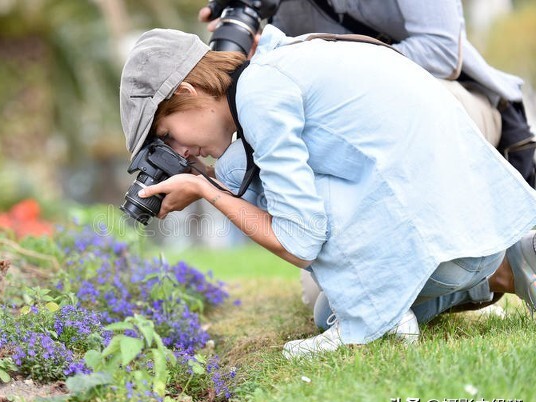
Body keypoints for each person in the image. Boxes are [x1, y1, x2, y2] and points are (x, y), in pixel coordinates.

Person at [119, 26, 536, 357]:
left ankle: (388, 322)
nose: (179, 152)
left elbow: (301, 241)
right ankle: (512, 263)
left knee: (268, 199)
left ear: (186, 93)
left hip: (444, 236)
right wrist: (209, 180)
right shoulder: (278, 65)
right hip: (470, 223)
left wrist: (207, 190)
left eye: (167, 136)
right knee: (328, 312)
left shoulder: (260, 98)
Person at [199, 0, 536, 314]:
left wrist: (338, 67)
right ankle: (502, 268)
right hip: (359, 136)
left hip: (449, 98)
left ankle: (464, 249)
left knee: (366, 285)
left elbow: (442, 51)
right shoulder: (284, 6)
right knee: (328, 299)